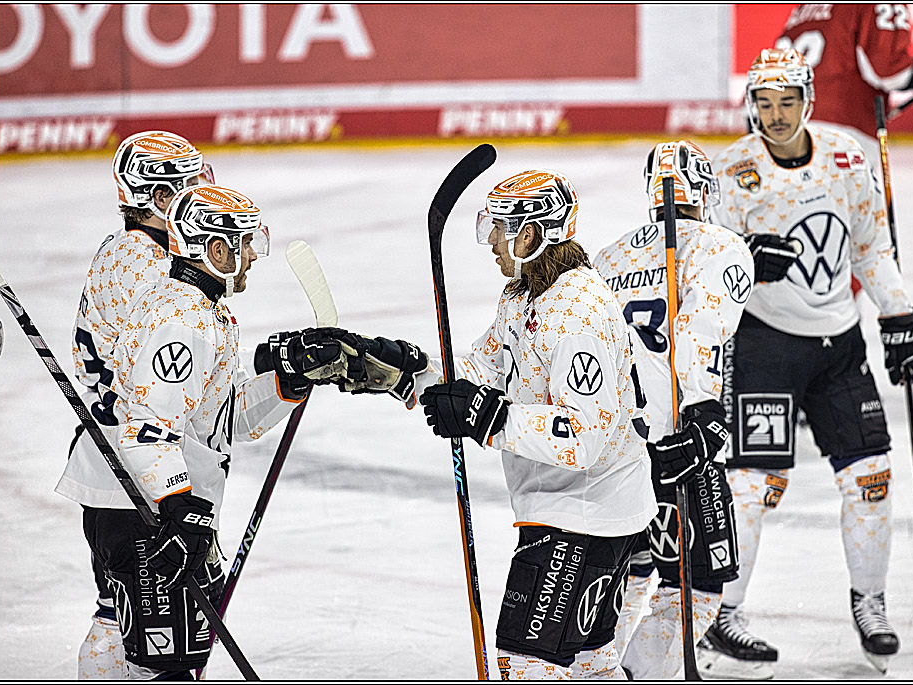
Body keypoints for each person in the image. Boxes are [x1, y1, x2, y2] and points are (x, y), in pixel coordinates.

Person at [340, 170, 659, 679]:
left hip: (585, 513)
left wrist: (487, 416)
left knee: (530, 668)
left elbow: (583, 437)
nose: (490, 239)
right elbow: (479, 373)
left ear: (532, 233)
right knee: (589, 665)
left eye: (500, 227)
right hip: (579, 509)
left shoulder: (576, 311)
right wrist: (404, 366)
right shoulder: (522, 297)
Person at [57, 184, 362, 679]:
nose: (251, 258)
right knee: (170, 668)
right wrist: (179, 509)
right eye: (243, 245)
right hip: (146, 510)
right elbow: (147, 431)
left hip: (137, 501)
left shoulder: (197, 307)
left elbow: (225, 416)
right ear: (216, 250)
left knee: (126, 634)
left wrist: (289, 379)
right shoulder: (182, 318)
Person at [699, 48, 913, 677]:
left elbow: (871, 248)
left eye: (787, 101)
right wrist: (742, 262)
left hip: (838, 348)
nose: (776, 116)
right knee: (751, 489)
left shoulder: (849, 157)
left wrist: (900, 314)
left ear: (808, 99)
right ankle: (722, 614)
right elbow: (704, 270)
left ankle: (870, 603)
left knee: (871, 478)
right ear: (752, 106)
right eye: (764, 104)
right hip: (766, 350)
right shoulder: (732, 171)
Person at [592, 140, 753, 679]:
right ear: (704, 189)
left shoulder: (607, 256)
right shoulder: (723, 245)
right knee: (699, 589)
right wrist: (705, 418)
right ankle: (646, 670)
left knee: (628, 578)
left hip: (610, 450)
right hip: (676, 447)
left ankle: (611, 667)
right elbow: (696, 333)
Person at [67, 130, 215, 679]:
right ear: (154, 199)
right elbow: (165, 383)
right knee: (163, 655)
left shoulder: (125, 251)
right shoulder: (150, 266)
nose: (201, 192)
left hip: (111, 467)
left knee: (115, 616)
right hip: (143, 479)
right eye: (186, 185)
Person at [775, 3, 913, 164]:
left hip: (785, 135)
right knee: (845, 206)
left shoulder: (803, 10)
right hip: (843, 134)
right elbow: (888, 70)